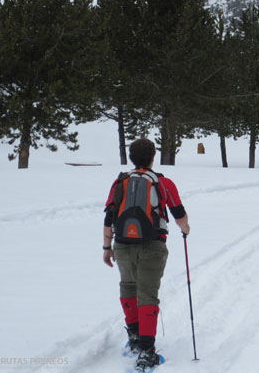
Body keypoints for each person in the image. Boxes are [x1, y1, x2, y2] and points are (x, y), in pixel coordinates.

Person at [102, 138, 190, 371]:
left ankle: (134, 338)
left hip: (122, 244)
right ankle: (147, 352)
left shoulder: (120, 181)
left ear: (131, 157)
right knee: (147, 294)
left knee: (128, 287)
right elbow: (178, 212)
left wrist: (106, 247)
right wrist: (185, 229)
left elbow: (109, 216)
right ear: (153, 157)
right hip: (153, 245)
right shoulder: (163, 182)